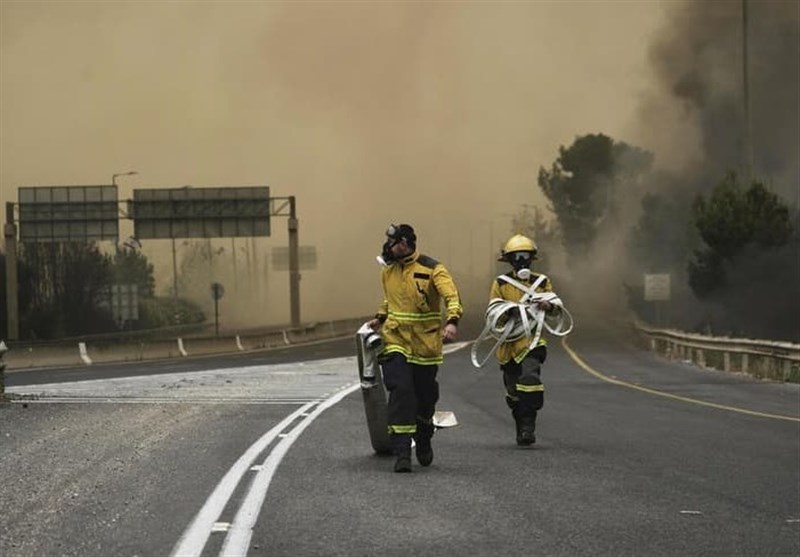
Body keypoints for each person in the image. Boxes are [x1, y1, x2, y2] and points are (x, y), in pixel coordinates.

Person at [368, 223, 463, 473]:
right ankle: (401, 452)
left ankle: (423, 435)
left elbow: (452, 297)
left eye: (392, 242)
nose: (387, 247)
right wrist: (379, 318)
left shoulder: (433, 269)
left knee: (425, 397)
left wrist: (452, 322)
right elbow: (390, 300)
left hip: (425, 346)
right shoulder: (388, 272)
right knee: (401, 391)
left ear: (404, 243)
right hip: (395, 340)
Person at [488, 234, 563, 446]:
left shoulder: (542, 282)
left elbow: (557, 308)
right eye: (517, 257)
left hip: (532, 341)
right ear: (510, 260)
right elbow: (493, 311)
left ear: (531, 259)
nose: (522, 261)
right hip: (508, 345)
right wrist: (508, 312)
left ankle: (529, 425)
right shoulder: (500, 284)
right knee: (514, 392)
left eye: (525, 256)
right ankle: (521, 423)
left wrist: (549, 306)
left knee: (530, 379)